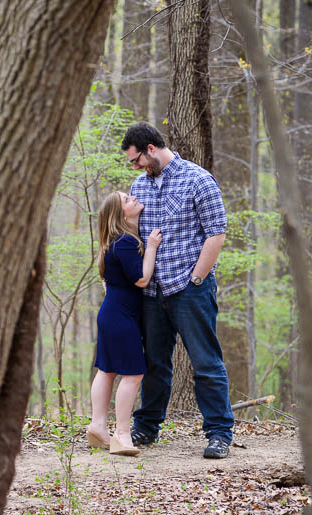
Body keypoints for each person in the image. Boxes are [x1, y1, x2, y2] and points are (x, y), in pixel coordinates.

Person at [121, 122, 234, 459]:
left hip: (190, 290)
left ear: (151, 149)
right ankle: (147, 426)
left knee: (205, 362)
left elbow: (216, 233)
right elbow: (134, 237)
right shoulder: (139, 186)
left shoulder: (198, 179)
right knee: (154, 363)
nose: (135, 166)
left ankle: (218, 433)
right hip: (152, 294)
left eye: (136, 159)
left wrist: (197, 280)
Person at [87, 191, 161, 456]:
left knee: (106, 370)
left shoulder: (111, 243)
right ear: (121, 214)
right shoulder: (126, 242)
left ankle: (97, 425)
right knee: (133, 373)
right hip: (120, 316)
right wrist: (151, 247)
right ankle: (122, 434)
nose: (134, 198)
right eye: (127, 199)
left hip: (111, 313)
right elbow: (141, 279)